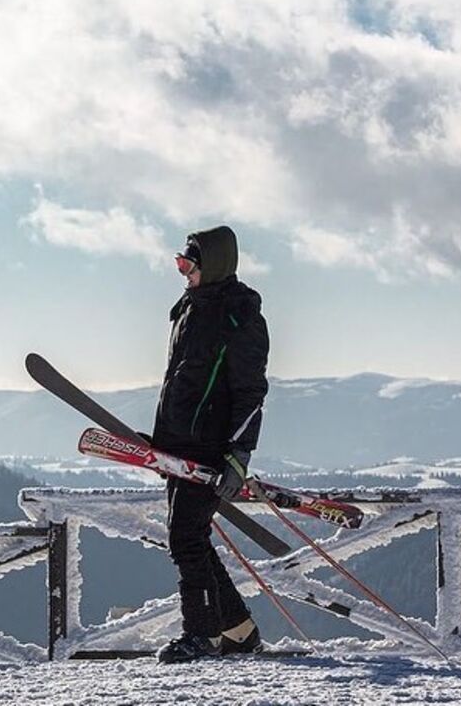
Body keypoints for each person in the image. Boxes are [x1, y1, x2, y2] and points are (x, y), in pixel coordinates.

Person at [152, 225, 270, 664]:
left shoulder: (240, 317)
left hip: (210, 449)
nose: (183, 273)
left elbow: (250, 393)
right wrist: (162, 439)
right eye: (179, 264)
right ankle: (239, 631)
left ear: (213, 266)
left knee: (185, 538)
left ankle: (201, 636)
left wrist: (238, 457)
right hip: (178, 444)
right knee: (191, 537)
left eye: (188, 265)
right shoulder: (190, 308)